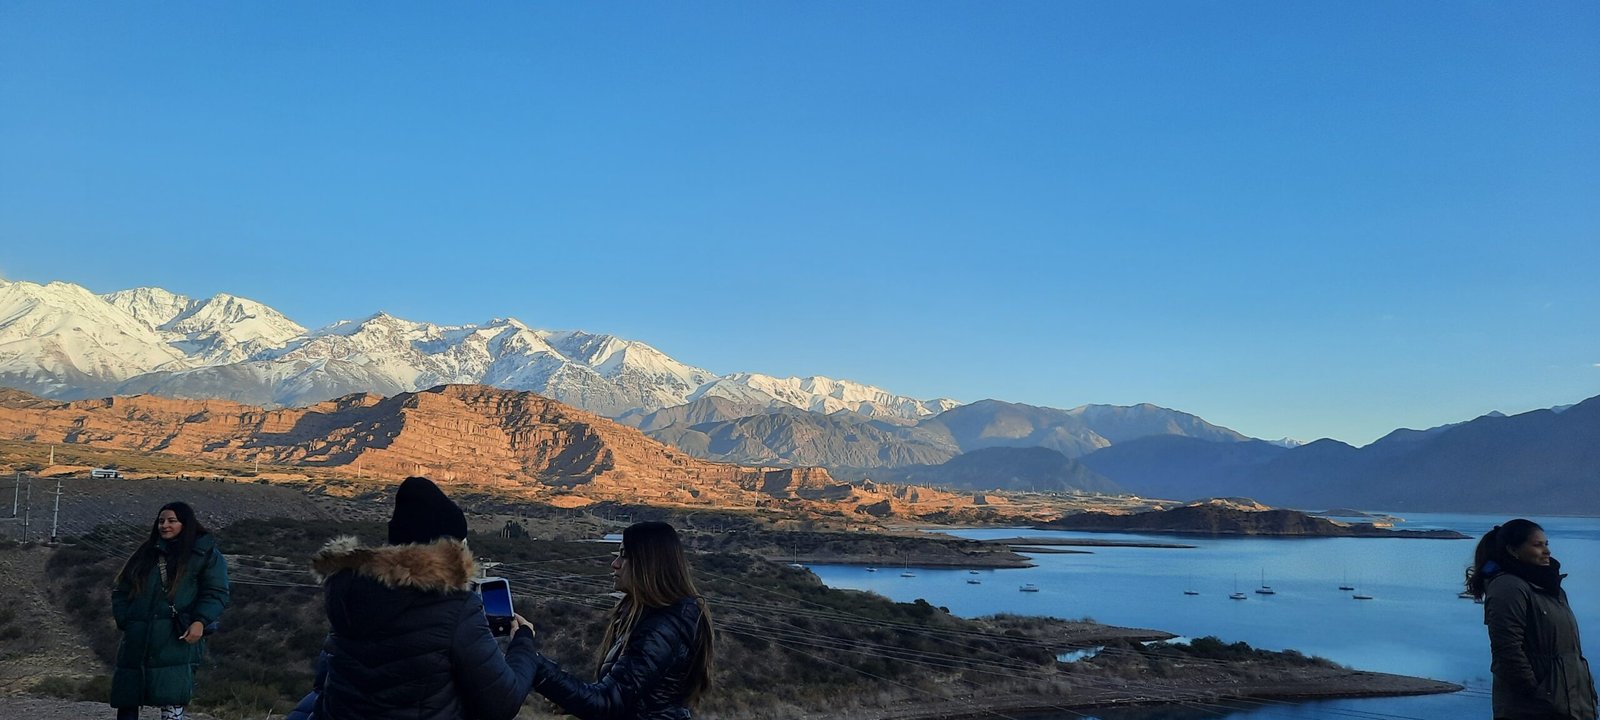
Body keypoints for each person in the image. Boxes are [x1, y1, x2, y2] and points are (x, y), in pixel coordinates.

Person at [308, 476, 537, 719]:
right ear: (449, 549)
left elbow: (329, 680)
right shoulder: (456, 609)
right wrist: (523, 642)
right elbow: (503, 702)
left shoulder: (347, 591)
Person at [528, 520, 715, 720]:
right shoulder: (647, 616)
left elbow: (606, 703)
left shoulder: (663, 628)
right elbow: (627, 696)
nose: (615, 564)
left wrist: (532, 662)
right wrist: (573, 700)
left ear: (648, 563)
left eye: (624, 555)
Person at [111, 501, 231, 720]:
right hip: (138, 637)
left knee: (172, 699)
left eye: (172, 521)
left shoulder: (205, 555)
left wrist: (200, 621)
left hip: (177, 636)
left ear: (185, 523)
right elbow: (121, 589)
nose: (164, 525)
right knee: (128, 699)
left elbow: (216, 593)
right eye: (161, 521)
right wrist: (126, 619)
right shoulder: (146, 552)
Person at [1468, 518, 1597, 720]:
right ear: (1513, 550)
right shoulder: (1508, 587)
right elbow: (1507, 650)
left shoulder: (1551, 588)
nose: (1547, 551)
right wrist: (1536, 692)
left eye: (1546, 544)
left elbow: (1567, 653)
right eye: (1537, 545)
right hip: (1535, 709)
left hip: (1569, 706)